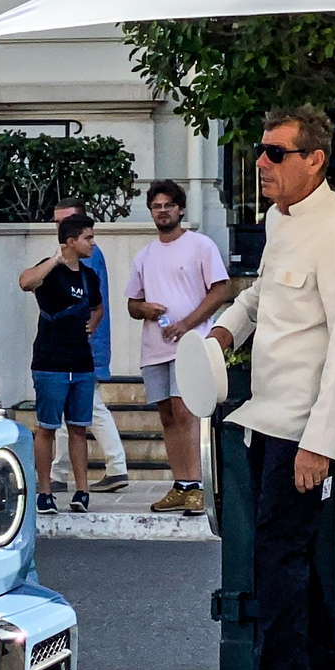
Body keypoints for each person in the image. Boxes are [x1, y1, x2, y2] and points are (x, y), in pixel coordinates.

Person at [204, 106, 335, 670]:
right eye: (260, 150)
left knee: (278, 566)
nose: (261, 163)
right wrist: (225, 330)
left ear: (315, 160)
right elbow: (261, 293)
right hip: (265, 419)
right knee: (289, 564)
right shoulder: (282, 221)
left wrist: (319, 443)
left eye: (276, 153)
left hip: (303, 428)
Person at [125, 179, 235, 516]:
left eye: (168, 205)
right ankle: (181, 484)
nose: (162, 211)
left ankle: (199, 486)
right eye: (156, 206)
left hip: (189, 345)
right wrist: (146, 309)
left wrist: (187, 323)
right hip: (155, 348)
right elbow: (132, 304)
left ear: (181, 209)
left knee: (187, 412)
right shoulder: (144, 255)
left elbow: (221, 290)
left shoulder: (200, 246)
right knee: (168, 416)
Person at [19, 213, 106, 516]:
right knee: (46, 428)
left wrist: (92, 324)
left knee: (79, 428)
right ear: (71, 241)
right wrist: (55, 260)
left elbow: (98, 308)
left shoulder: (89, 276)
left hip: (81, 362)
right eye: (88, 238)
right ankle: (44, 491)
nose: (93, 243)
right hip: (49, 361)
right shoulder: (50, 270)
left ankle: (82, 491)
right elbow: (26, 282)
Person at [49, 198, 132, 494]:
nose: (58, 227)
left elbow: (81, 301)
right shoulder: (82, 253)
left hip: (82, 345)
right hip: (83, 344)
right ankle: (60, 471)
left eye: (64, 221)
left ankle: (114, 466)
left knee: (87, 408)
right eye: (56, 222)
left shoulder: (85, 255)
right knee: (75, 408)